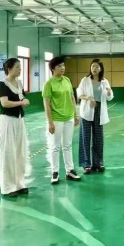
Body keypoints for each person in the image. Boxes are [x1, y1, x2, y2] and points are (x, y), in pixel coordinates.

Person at [42, 56, 81, 184]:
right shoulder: (48, 84)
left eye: (63, 65)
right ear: (53, 69)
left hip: (69, 118)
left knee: (67, 145)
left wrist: (75, 114)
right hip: (56, 119)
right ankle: (55, 172)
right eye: (59, 66)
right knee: (55, 147)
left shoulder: (67, 80)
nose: (62, 68)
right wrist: (50, 122)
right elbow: (46, 104)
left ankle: (70, 171)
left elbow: (72, 98)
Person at [0, 58, 31, 197]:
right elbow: (4, 103)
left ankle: (19, 183)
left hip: (19, 120)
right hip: (7, 121)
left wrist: (23, 101)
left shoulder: (19, 83)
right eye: (17, 67)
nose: (20, 70)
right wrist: (21, 103)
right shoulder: (2, 84)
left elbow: (22, 98)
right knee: (8, 153)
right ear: (9, 69)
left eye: (20, 67)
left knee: (20, 152)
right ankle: (7, 187)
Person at [77, 59, 113, 173]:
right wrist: (88, 98)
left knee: (98, 138)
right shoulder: (85, 80)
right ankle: (86, 164)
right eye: (93, 66)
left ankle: (98, 163)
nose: (94, 68)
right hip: (87, 111)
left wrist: (109, 92)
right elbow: (79, 93)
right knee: (85, 137)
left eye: (97, 67)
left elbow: (109, 97)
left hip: (99, 111)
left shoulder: (104, 81)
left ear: (101, 69)